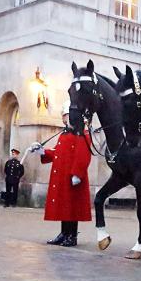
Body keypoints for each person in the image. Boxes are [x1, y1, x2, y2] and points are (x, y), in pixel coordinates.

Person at [29, 102, 92, 247]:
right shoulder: (64, 133)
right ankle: (64, 233)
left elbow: (83, 154)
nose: (64, 119)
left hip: (72, 175)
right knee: (64, 206)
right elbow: (58, 152)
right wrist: (43, 151)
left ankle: (72, 235)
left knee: (72, 207)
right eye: (63, 116)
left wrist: (77, 173)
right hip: (62, 175)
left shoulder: (81, 132)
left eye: (66, 115)